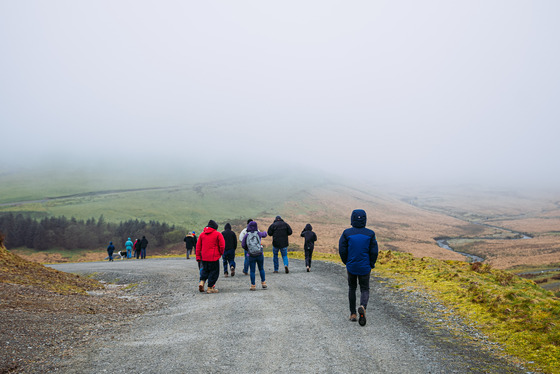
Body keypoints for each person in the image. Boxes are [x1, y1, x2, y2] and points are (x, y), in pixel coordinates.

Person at [339, 209, 378, 327]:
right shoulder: (370, 234)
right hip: (365, 266)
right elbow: (374, 251)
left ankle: (353, 314)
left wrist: (347, 262)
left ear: (352, 218)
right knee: (365, 289)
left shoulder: (347, 233)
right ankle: (363, 307)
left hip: (351, 265)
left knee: (352, 288)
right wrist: (371, 263)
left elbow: (342, 249)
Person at [196, 220, 225, 294]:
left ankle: (202, 282)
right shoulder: (218, 234)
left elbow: (198, 247)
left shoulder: (202, 234)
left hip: (204, 257)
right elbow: (222, 245)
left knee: (205, 270)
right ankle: (210, 288)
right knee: (214, 272)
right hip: (214, 257)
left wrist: (198, 256)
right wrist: (221, 253)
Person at [242, 220, 268, 291]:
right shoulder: (258, 233)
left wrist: (248, 250)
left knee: (252, 271)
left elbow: (243, 245)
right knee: (261, 269)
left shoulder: (247, 235)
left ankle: (253, 285)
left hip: (251, 255)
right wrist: (265, 232)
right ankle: (263, 283)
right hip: (259, 253)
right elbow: (265, 234)